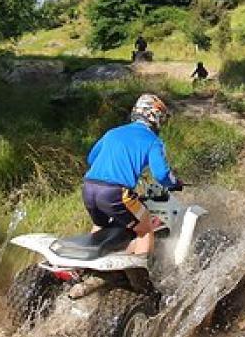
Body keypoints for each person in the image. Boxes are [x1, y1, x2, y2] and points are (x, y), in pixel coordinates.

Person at [70, 94, 182, 298]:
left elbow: (91, 157)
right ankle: (143, 285)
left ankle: (88, 269)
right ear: (154, 117)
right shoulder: (152, 141)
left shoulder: (113, 132)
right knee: (146, 228)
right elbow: (162, 174)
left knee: (102, 226)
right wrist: (175, 183)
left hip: (89, 187)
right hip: (115, 193)